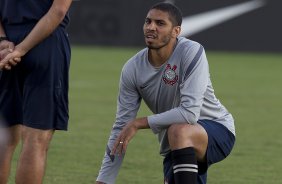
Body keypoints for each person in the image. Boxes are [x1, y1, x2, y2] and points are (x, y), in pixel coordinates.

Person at [96, 2, 235, 184]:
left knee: (179, 130)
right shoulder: (132, 68)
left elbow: (189, 113)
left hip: (217, 129)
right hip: (175, 143)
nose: (151, 27)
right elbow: (121, 128)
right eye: (148, 22)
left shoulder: (191, 51)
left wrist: (139, 123)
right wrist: (104, 180)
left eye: (160, 23)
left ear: (176, 31)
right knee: (177, 134)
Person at [0, 0, 72, 183]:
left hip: (8, 44)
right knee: (36, 139)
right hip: (45, 43)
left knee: (3, 138)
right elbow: (58, 11)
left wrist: (2, 41)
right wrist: (22, 50)